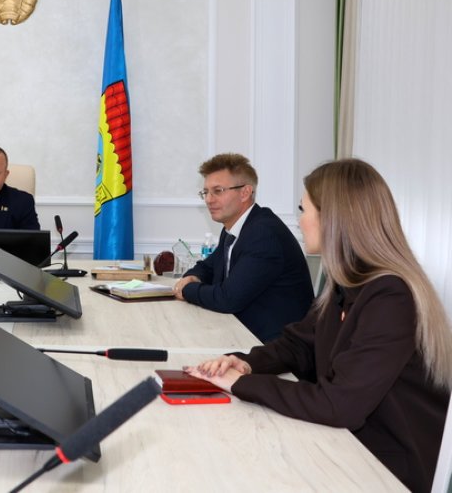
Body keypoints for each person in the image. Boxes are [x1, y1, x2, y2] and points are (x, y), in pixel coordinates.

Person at [187, 159, 452, 492]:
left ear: (333, 219)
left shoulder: (389, 297)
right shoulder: (348, 283)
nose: (299, 220)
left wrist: (242, 384)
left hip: (387, 468)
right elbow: (299, 344)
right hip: (348, 445)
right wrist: (246, 363)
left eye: (304, 210)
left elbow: (339, 405)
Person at [174, 153, 312, 342]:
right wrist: (193, 277)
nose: (209, 199)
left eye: (218, 191)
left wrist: (187, 289)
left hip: (274, 346)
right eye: (206, 192)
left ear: (245, 192)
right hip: (243, 332)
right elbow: (208, 267)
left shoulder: (264, 234)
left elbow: (227, 299)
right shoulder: (234, 228)